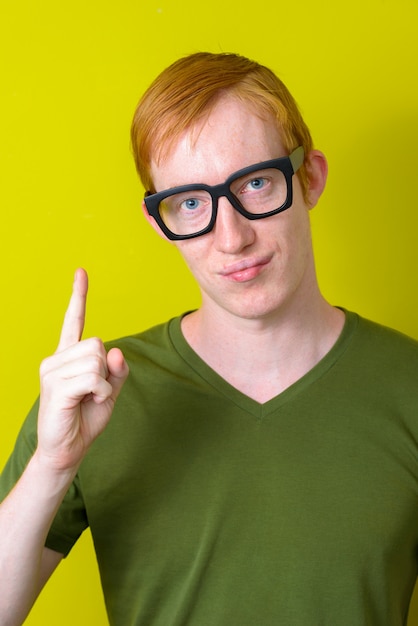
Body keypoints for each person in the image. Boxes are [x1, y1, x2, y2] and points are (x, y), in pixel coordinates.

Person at [1, 51, 418, 626]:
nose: (231, 237)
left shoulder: (409, 385)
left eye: (254, 184)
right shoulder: (95, 396)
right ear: (159, 223)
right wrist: (52, 464)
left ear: (310, 178)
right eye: (191, 202)